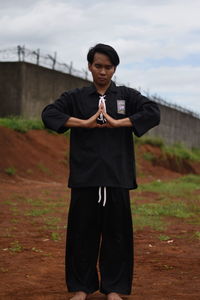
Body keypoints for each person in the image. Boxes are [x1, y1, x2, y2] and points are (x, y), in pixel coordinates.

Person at [41, 43, 160, 300]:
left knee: (117, 236)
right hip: (86, 177)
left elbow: (153, 112)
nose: (103, 72)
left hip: (117, 177)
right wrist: (83, 122)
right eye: (98, 66)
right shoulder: (75, 97)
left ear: (114, 68)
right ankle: (81, 288)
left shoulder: (127, 96)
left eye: (108, 67)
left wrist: (120, 122)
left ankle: (114, 289)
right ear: (89, 66)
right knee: (81, 235)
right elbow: (49, 114)